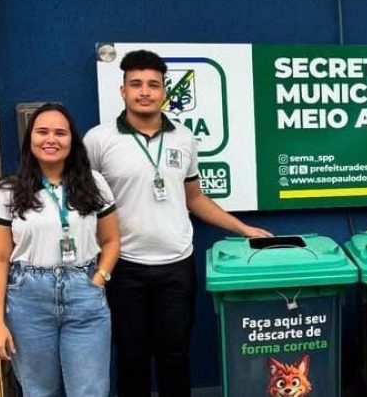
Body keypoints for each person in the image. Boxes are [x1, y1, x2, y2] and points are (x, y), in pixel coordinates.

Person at [84, 49, 272, 397]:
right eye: (136, 84)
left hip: (176, 265)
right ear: (122, 90)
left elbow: (195, 198)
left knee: (175, 357)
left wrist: (243, 229)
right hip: (124, 267)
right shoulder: (98, 140)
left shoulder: (184, 138)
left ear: (164, 91)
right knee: (132, 359)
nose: (145, 92)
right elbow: (85, 201)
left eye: (153, 85)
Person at [0, 103, 120, 396]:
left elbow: (111, 241)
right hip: (28, 301)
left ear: (72, 140)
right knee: (39, 391)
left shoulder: (94, 184)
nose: (51, 139)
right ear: (29, 139)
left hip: (84, 293)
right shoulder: (7, 192)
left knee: (89, 391)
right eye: (42, 132)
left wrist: (100, 278)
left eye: (60, 133)